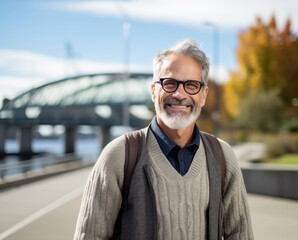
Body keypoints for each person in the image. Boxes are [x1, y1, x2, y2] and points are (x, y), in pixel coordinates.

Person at [74, 39, 254, 240]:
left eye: (191, 85)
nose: (179, 94)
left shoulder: (222, 156)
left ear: (203, 95)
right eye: (169, 83)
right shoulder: (119, 156)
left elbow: (241, 234)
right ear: (153, 91)